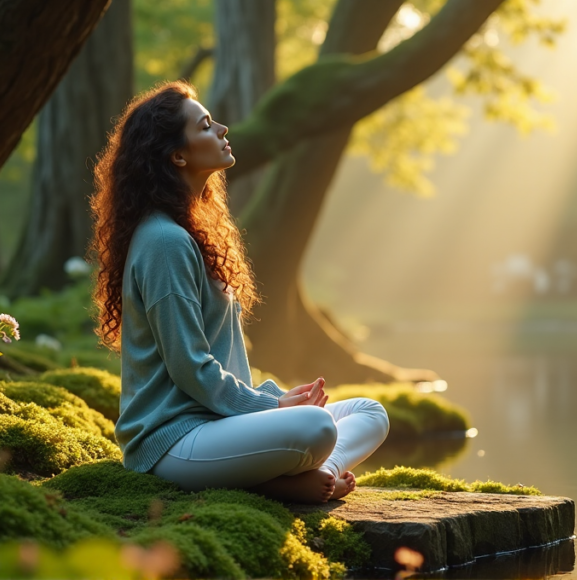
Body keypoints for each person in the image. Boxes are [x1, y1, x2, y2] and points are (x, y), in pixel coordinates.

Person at [89, 81, 390, 503]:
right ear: (178, 155)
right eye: (205, 126)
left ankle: (315, 473)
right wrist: (273, 408)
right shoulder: (164, 242)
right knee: (317, 427)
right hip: (173, 440)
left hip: (220, 425)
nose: (223, 129)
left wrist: (275, 398)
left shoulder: (188, 232)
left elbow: (223, 363)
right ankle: (282, 483)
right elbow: (190, 368)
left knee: (370, 412)